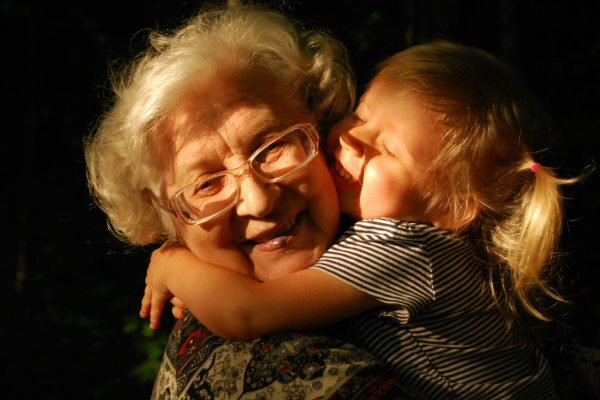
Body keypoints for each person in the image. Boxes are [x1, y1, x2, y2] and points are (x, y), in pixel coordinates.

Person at [141, 41, 577, 399]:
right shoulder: (399, 236)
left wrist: (173, 264)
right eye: (361, 115)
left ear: (450, 208)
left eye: (387, 149)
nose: (351, 136)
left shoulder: (404, 246)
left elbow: (246, 311)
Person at [85, 2, 427, 400]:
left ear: (317, 124)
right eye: (208, 183)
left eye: (272, 146)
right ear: (167, 216)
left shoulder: (403, 234)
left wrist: (172, 262)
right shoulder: (275, 371)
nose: (259, 201)